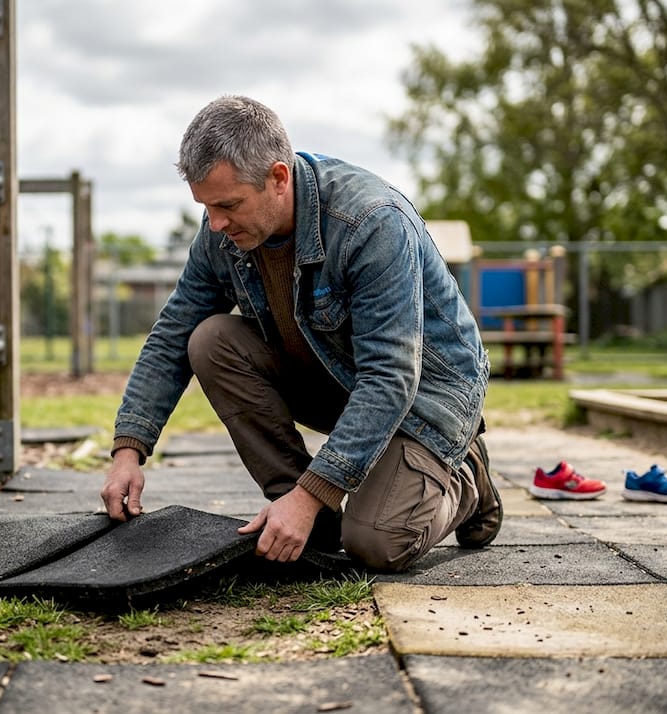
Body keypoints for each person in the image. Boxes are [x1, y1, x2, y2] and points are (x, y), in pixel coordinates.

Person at [100, 95, 501, 572]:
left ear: (278, 178)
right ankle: (307, 512)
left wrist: (313, 492)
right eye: (205, 207)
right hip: (337, 375)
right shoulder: (220, 235)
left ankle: (466, 478)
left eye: (228, 205)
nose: (215, 224)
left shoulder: (371, 222)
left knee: (376, 544)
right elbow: (170, 337)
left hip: (426, 395)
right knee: (209, 340)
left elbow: (390, 376)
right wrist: (129, 451)